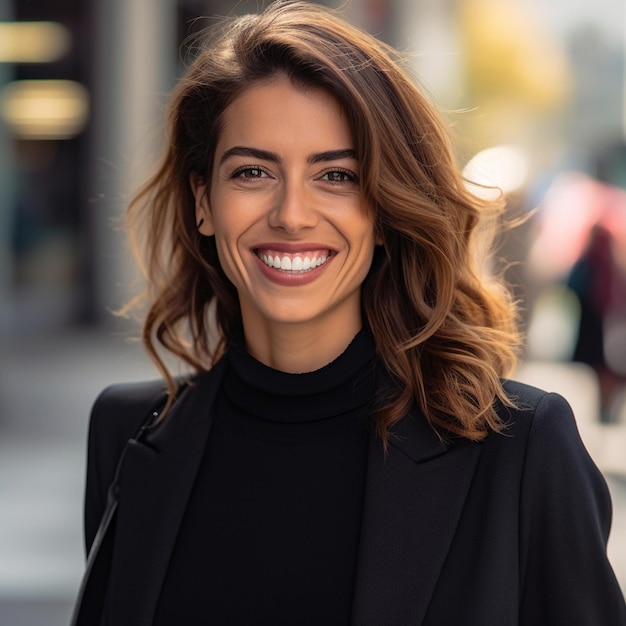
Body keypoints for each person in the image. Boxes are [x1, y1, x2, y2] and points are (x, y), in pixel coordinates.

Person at [71, 1, 626, 624]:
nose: (291, 214)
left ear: (386, 211)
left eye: (336, 175)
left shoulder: (519, 448)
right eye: (252, 171)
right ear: (204, 202)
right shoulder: (126, 435)